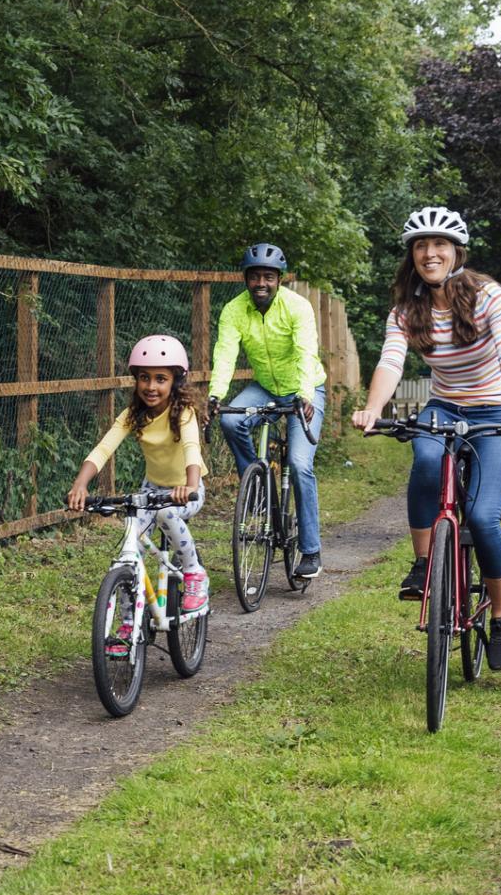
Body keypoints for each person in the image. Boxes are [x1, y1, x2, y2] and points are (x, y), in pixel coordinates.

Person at [348, 206, 501, 671]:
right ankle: (422, 564)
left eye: (439, 246)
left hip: (495, 408)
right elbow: (391, 363)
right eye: (421, 246)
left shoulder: (488, 296)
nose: (429, 253)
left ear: (457, 253)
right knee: (427, 461)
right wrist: (373, 409)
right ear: (411, 255)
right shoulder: (404, 311)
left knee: (483, 515)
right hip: (445, 406)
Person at [68, 334, 210, 652]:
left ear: (175, 381)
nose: (151, 386)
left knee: (166, 512)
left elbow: (191, 448)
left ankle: (194, 572)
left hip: (188, 488)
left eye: (161, 379)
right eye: (144, 378)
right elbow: (104, 448)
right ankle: (129, 622)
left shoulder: (183, 411)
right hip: (152, 488)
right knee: (129, 552)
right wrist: (80, 483)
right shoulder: (133, 414)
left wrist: (188, 485)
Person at [208, 243, 328, 579]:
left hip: (305, 388)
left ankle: (311, 549)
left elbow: (307, 352)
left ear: (279, 279)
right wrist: (216, 395)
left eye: (269, 276)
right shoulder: (234, 310)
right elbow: (225, 354)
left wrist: (304, 394)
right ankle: (257, 487)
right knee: (231, 419)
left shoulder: (297, 307)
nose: (262, 282)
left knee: (300, 464)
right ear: (246, 279)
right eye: (255, 276)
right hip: (265, 389)